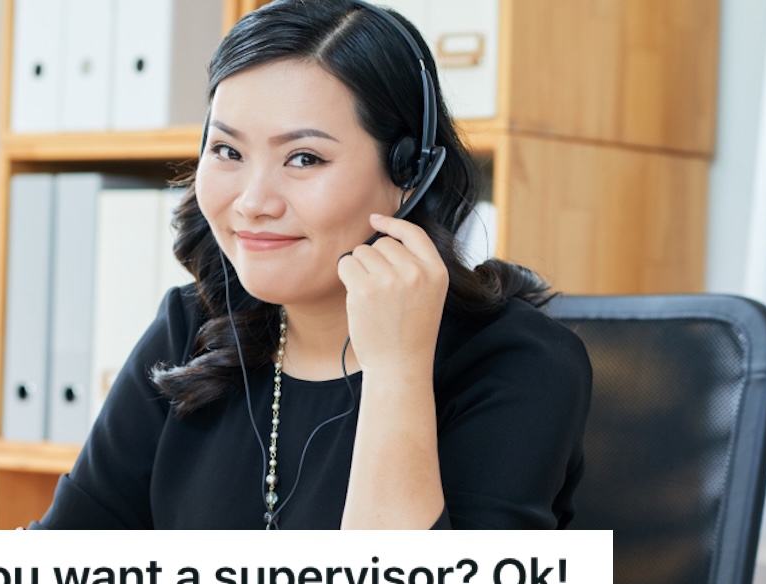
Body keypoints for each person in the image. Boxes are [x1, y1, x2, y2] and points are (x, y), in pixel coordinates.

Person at [29, 0, 590, 530]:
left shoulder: (517, 364)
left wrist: (396, 371)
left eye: (304, 158)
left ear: (409, 176)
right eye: (228, 151)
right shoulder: (191, 329)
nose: (253, 201)